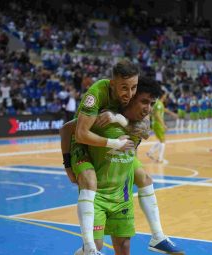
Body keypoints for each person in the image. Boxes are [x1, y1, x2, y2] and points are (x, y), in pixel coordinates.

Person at [60, 76, 184, 255]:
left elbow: (145, 132)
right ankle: (89, 248)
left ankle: (158, 236)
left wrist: (119, 119)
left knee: (145, 179)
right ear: (130, 98)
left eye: (151, 103)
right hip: (97, 182)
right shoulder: (101, 115)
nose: (147, 109)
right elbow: (66, 130)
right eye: (143, 102)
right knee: (97, 245)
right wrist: (69, 167)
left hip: (120, 184)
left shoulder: (139, 118)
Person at [146, 91, 178, 164]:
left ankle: (150, 152)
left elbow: (163, 110)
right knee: (163, 141)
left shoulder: (158, 103)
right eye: (165, 95)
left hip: (156, 124)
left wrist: (172, 114)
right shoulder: (159, 104)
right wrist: (163, 125)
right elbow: (157, 115)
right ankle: (160, 159)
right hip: (158, 124)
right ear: (162, 96)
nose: (166, 97)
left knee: (161, 141)